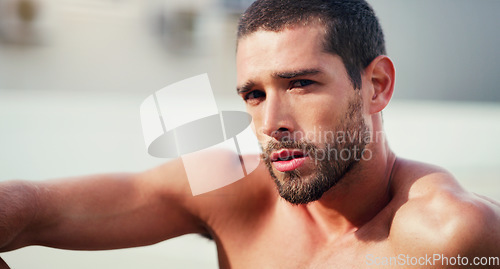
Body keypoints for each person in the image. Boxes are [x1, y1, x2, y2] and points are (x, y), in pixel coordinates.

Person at [1, 0, 499, 268]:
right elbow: (29, 212)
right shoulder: (233, 181)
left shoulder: (449, 235)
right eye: (253, 95)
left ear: (376, 86)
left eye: (301, 84)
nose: (269, 124)